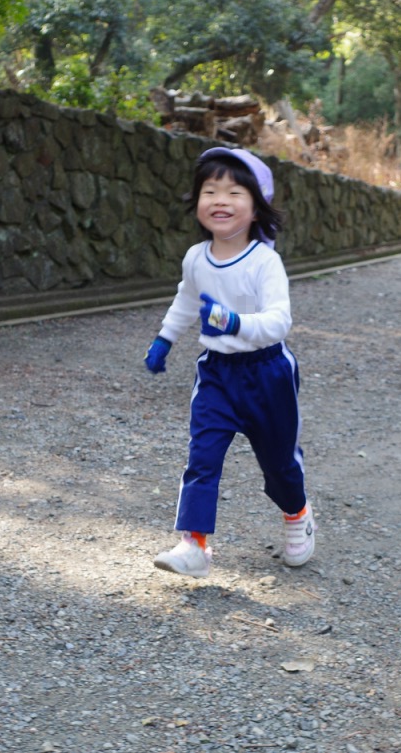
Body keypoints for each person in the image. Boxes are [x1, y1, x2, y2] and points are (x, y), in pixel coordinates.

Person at [144, 147, 314, 578]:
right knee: (202, 456)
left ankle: (297, 513)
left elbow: (279, 322)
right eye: (210, 190)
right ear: (197, 202)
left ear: (257, 207)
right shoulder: (196, 258)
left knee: (278, 464)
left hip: (268, 374)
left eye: (235, 192)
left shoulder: (264, 262)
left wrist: (237, 322)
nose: (220, 200)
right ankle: (194, 544)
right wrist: (165, 338)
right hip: (217, 372)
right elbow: (187, 300)